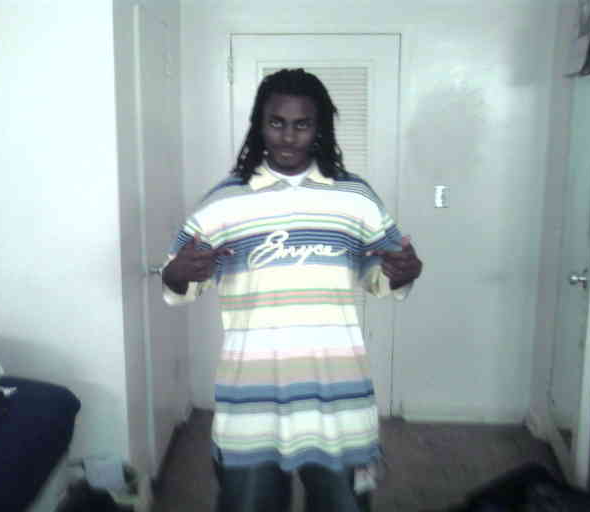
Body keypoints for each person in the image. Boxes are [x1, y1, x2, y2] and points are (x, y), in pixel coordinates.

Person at [160, 68, 423, 512]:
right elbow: (178, 284)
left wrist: (405, 270)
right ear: (259, 125)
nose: (287, 137)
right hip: (252, 402)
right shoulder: (224, 201)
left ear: (320, 129)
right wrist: (177, 272)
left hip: (337, 398)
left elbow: (383, 277)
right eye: (276, 122)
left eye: (302, 124)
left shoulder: (355, 197)